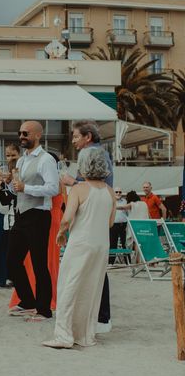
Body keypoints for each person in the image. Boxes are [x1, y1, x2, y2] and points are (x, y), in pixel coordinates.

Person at [43, 148, 115, 349]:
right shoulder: (110, 192)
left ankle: (64, 336)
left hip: (81, 243)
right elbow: (110, 222)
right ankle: (84, 335)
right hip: (101, 246)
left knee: (69, 286)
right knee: (91, 289)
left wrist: (60, 233)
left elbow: (67, 219)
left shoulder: (79, 189)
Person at [61, 120, 113, 330]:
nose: (73, 141)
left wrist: (72, 183)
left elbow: (96, 188)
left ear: (87, 137)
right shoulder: (97, 153)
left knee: (86, 273)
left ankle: (100, 317)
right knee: (95, 271)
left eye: (75, 136)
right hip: (97, 227)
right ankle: (96, 318)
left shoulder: (94, 156)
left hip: (88, 225)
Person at [7, 121, 59, 321]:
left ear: (37, 135)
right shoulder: (21, 161)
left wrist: (26, 188)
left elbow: (53, 188)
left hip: (38, 214)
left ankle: (44, 309)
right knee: (11, 261)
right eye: (20, 132)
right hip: (21, 214)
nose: (21, 136)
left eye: (25, 133)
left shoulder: (46, 160)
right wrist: (10, 185)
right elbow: (17, 188)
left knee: (39, 263)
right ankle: (28, 301)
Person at [109, 187, 128, 263]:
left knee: (125, 244)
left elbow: (127, 213)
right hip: (113, 225)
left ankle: (127, 262)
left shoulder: (125, 201)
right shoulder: (110, 201)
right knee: (112, 244)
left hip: (123, 225)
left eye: (120, 192)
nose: (118, 193)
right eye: (116, 192)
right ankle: (111, 262)